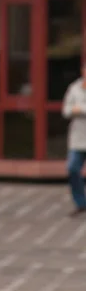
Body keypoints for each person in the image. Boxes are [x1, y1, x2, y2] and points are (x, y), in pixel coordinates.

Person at [62, 63, 86, 216]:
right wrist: (73, 110)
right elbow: (66, 111)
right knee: (72, 168)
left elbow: (78, 109)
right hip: (77, 139)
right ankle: (80, 202)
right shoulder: (74, 88)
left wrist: (80, 109)